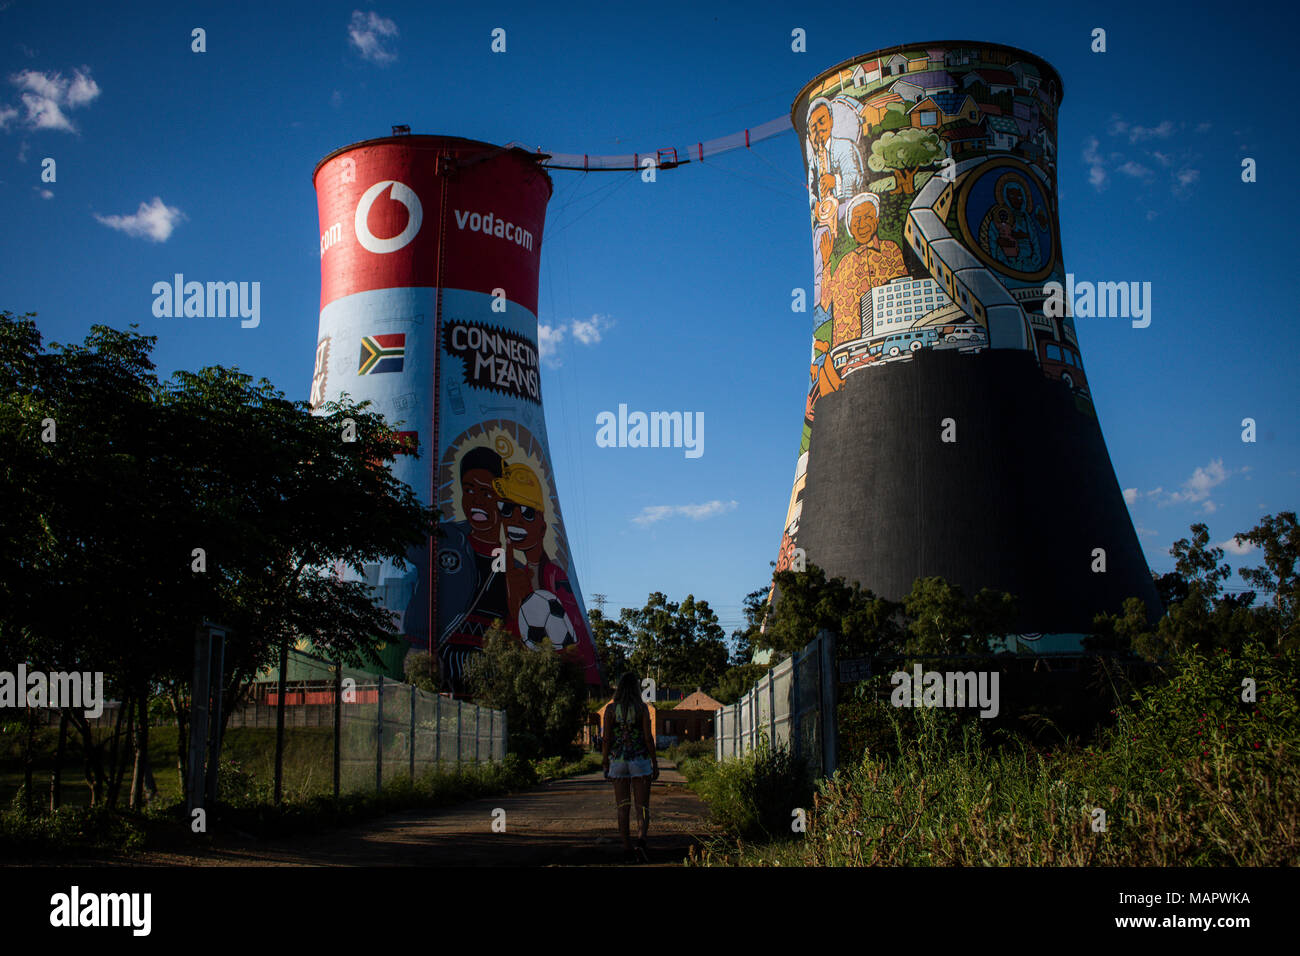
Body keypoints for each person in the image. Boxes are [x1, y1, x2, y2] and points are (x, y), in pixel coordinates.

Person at [602, 673, 659, 862]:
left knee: (622, 807)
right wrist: (655, 762)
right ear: (636, 689)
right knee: (642, 807)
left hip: (618, 762)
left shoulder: (610, 710)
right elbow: (648, 738)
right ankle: (641, 842)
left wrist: (604, 762)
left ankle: (627, 848)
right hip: (640, 761)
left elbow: (606, 739)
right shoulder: (642, 709)